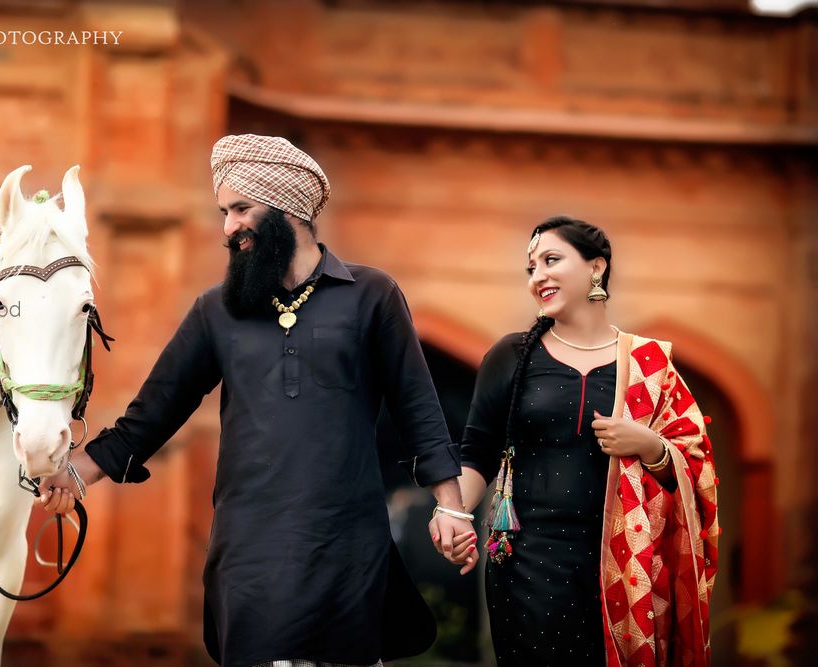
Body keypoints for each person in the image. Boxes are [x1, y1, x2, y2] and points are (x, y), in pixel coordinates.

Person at [39, 134, 476, 667]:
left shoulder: (371, 295)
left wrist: (452, 508)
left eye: (241, 208)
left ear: (287, 207)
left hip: (348, 548)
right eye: (224, 211)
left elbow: (418, 409)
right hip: (248, 552)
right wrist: (75, 472)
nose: (228, 226)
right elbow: (150, 417)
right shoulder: (216, 311)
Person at [431, 216, 720, 666]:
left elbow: (695, 462)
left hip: (626, 567)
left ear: (596, 268)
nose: (538, 276)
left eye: (551, 260)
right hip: (526, 563)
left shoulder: (649, 365)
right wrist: (452, 512)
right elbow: (478, 452)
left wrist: (649, 445)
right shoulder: (511, 355)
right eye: (531, 268)